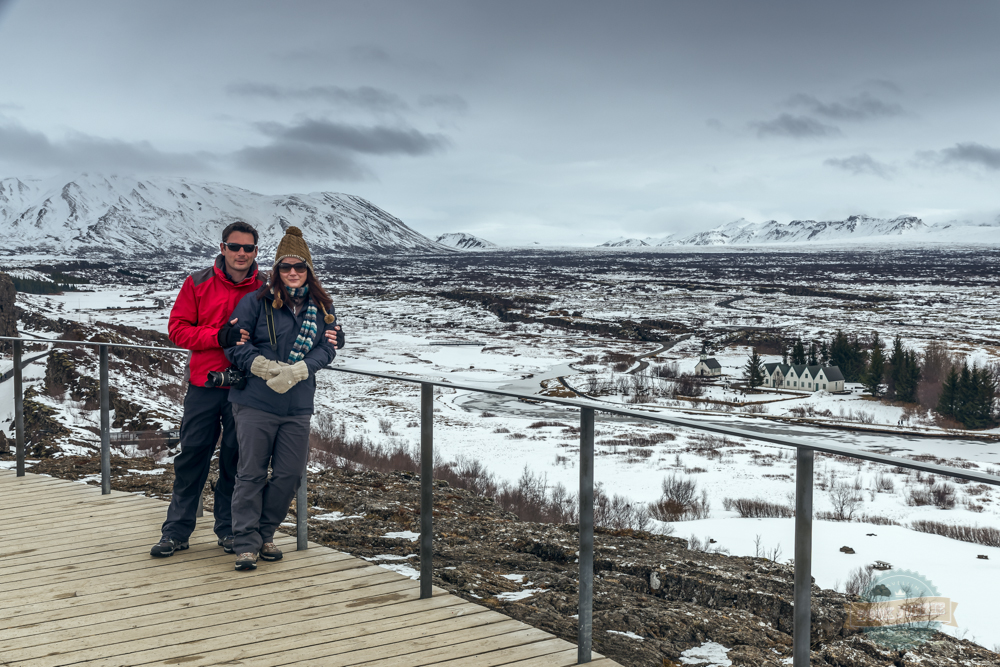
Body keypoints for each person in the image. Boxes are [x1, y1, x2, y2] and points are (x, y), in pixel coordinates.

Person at [224, 226, 339, 571]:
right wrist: (260, 366)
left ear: (309, 270)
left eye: (299, 267)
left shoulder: (323, 306)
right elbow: (235, 343)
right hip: (255, 401)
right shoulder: (256, 301)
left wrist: (301, 369)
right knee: (251, 473)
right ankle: (246, 542)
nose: (292, 273)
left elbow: (328, 346)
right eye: (286, 267)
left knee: (289, 473)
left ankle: (264, 532)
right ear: (276, 270)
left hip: (297, 404)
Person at [150, 221, 263, 557]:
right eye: (235, 246)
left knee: (236, 460)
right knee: (192, 457)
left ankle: (228, 530)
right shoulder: (198, 282)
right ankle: (176, 531)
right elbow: (177, 330)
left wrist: (327, 334)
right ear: (222, 247)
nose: (241, 253)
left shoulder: (267, 286)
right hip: (205, 384)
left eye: (248, 248)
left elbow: (288, 326)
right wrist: (217, 336)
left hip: (247, 387)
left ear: (256, 251)